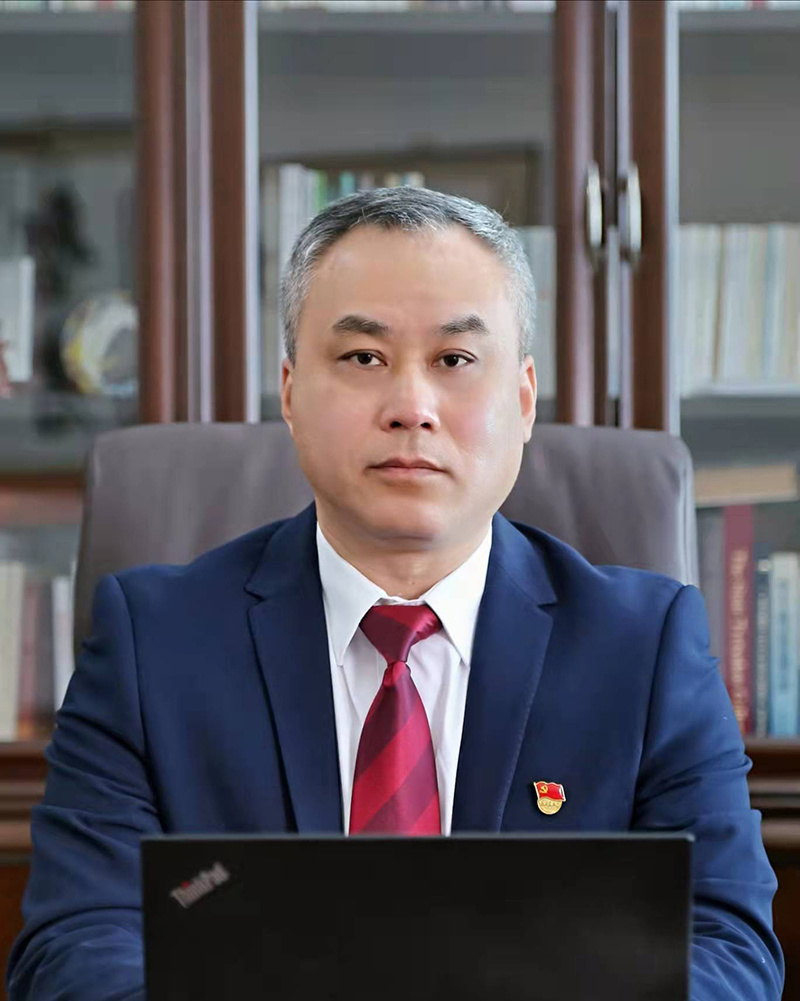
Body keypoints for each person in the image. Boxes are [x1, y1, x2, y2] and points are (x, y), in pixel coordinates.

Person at [6, 186, 783, 1000]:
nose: (412, 407)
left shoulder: (644, 649)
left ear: (523, 400)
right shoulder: (153, 645)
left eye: (455, 360)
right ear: (290, 393)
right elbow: (76, 946)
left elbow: (726, 946)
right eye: (363, 358)